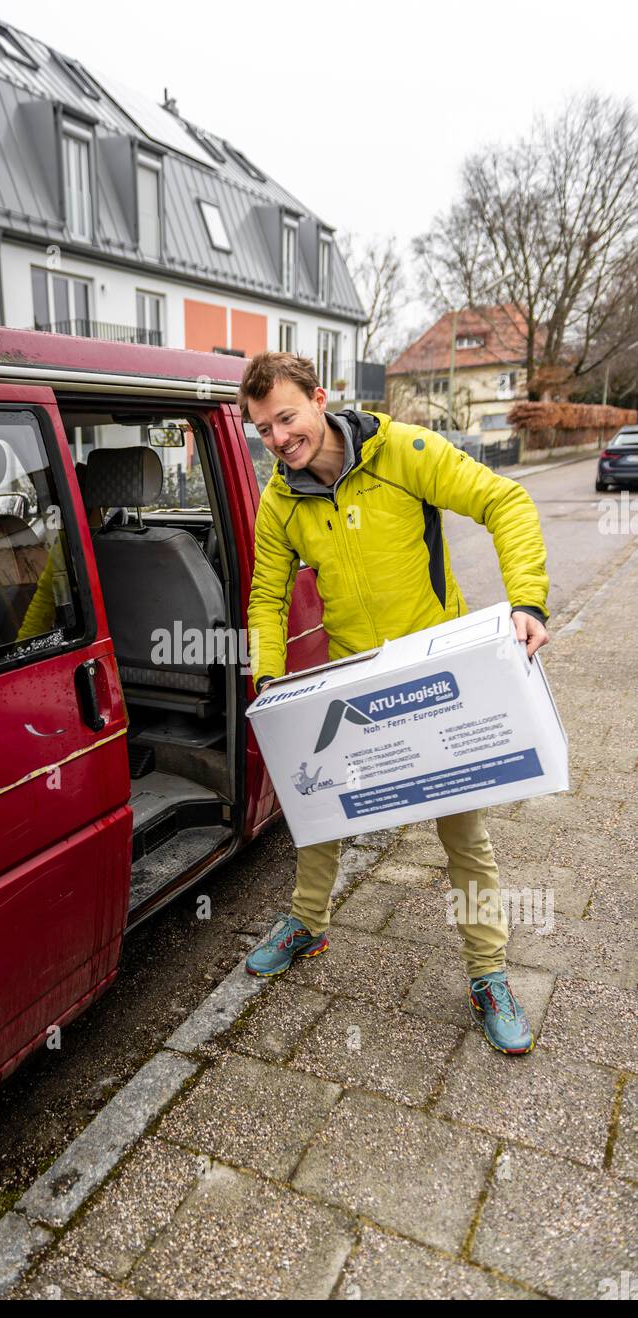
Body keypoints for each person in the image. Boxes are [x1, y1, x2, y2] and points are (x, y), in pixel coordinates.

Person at [241, 351, 551, 1056]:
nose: (280, 438)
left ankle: (488, 975)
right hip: (356, 681)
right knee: (317, 805)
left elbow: (505, 501)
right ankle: (308, 926)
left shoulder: (402, 450)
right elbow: (265, 595)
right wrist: (267, 678)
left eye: (287, 417)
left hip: (438, 677)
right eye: (263, 429)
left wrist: (527, 599)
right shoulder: (280, 499)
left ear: (320, 398)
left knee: (462, 834)